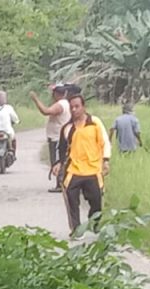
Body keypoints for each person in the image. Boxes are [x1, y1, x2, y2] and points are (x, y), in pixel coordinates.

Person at [52, 94, 111, 234]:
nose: (74, 110)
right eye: (71, 107)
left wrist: (106, 160)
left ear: (84, 107)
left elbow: (104, 142)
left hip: (93, 170)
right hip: (74, 170)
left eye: (77, 106)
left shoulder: (95, 122)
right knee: (71, 200)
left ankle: (94, 223)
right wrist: (58, 163)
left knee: (96, 201)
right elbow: (62, 149)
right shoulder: (67, 128)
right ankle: (76, 229)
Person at [30, 84, 73, 192]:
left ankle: (61, 184)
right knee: (59, 160)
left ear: (56, 94)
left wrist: (35, 99)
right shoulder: (65, 103)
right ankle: (61, 183)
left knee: (57, 160)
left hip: (57, 138)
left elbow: (45, 111)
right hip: (58, 136)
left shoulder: (60, 105)